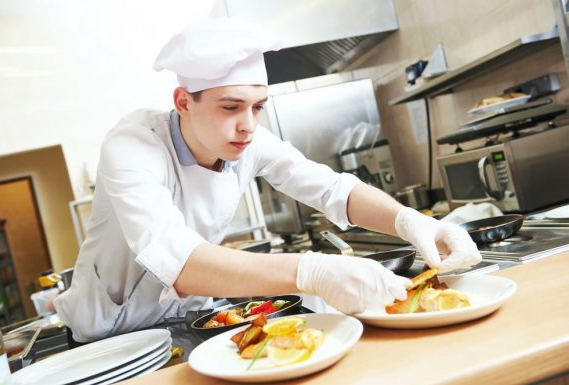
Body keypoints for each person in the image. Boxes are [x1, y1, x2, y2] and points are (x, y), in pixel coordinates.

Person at [54, 18, 481, 344]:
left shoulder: (250, 142)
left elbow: (330, 188)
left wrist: (411, 221)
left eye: (258, 107)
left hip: (188, 326)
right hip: (105, 339)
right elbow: (180, 264)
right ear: (184, 102)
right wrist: (311, 270)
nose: (247, 126)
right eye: (230, 107)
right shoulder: (131, 147)